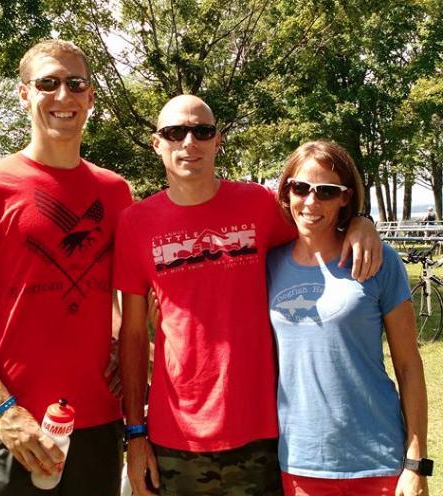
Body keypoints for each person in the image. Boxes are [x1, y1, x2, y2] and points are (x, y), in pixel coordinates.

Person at [114, 94, 382, 496]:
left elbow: (319, 224)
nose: (189, 142)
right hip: (175, 438)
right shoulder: (135, 223)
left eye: (201, 131)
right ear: (158, 144)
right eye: (175, 132)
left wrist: (360, 221)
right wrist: (135, 435)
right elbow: (133, 336)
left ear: (217, 140)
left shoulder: (258, 204)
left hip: (263, 433)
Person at [0, 40, 132, 495]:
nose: (63, 95)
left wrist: (122, 342)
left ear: (90, 96)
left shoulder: (116, 192)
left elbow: (119, 290)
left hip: (99, 420)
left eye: (75, 83)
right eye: (47, 83)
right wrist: (4, 410)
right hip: (12, 427)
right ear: (24, 94)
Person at [267, 140, 430, 496]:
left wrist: (416, 463)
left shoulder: (379, 261)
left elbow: (408, 365)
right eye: (301, 188)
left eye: (326, 191)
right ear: (286, 190)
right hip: (300, 462)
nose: (311, 202)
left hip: (378, 460)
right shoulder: (267, 263)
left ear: (345, 197)